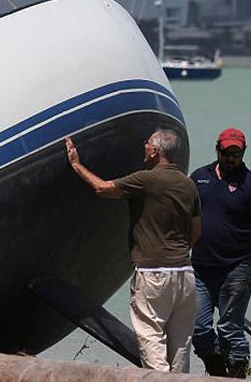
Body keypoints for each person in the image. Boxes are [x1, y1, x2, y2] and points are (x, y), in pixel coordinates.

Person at [66, 129, 201, 372]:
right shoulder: (188, 184)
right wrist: (177, 253)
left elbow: (102, 188)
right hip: (184, 273)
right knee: (181, 346)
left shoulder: (145, 179)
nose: (145, 147)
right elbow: (196, 231)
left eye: (147, 143)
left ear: (156, 151)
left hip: (153, 273)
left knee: (152, 342)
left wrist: (77, 165)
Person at [191, 128, 251, 378]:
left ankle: (237, 374)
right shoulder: (198, 178)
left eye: (236, 154)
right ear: (217, 149)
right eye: (227, 152)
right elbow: (183, 213)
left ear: (243, 153)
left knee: (229, 328)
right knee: (198, 329)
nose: (231, 158)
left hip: (236, 268)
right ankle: (219, 373)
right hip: (200, 269)